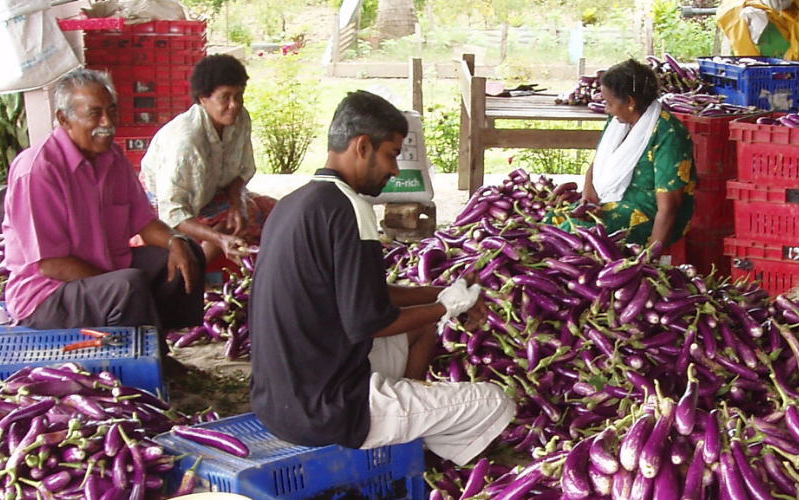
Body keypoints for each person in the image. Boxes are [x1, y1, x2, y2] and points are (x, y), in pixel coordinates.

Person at [249, 91, 515, 464]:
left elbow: (368, 295)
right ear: (362, 146)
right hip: (332, 410)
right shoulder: (351, 210)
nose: (394, 170)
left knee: (420, 330)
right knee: (495, 402)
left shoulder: (293, 204)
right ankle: (419, 459)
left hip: (277, 403)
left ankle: (405, 425)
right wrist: (443, 309)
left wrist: (440, 292)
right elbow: (368, 321)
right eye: (391, 154)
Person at [2, 69, 205, 331]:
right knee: (127, 286)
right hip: (47, 295)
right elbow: (52, 264)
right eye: (95, 113)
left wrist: (174, 240)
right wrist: (116, 281)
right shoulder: (38, 171)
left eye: (112, 111)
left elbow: (144, 222)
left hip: (105, 270)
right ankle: (156, 361)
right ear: (64, 119)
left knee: (187, 251)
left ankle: (159, 339)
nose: (108, 122)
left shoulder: (113, 158)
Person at [550, 59, 697, 251]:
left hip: (646, 216)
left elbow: (669, 208)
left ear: (629, 102)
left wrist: (650, 258)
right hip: (610, 200)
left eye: (609, 103)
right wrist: (588, 199)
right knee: (550, 222)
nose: (606, 109)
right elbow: (597, 164)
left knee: (570, 236)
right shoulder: (618, 121)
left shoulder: (668, 134)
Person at [141, 54, 276, 265]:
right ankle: (198, 268)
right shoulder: (185, 142)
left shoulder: (240, 120)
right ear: (203, 99)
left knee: (272, 213)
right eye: (225, 97)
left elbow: (241, 172)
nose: (234, 105)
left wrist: (238, 203)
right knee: (229, 227)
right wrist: (218, 237)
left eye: (239, 96)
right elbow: (173, 211)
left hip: (210, 194)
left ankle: (213, 248)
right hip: (164, 202)